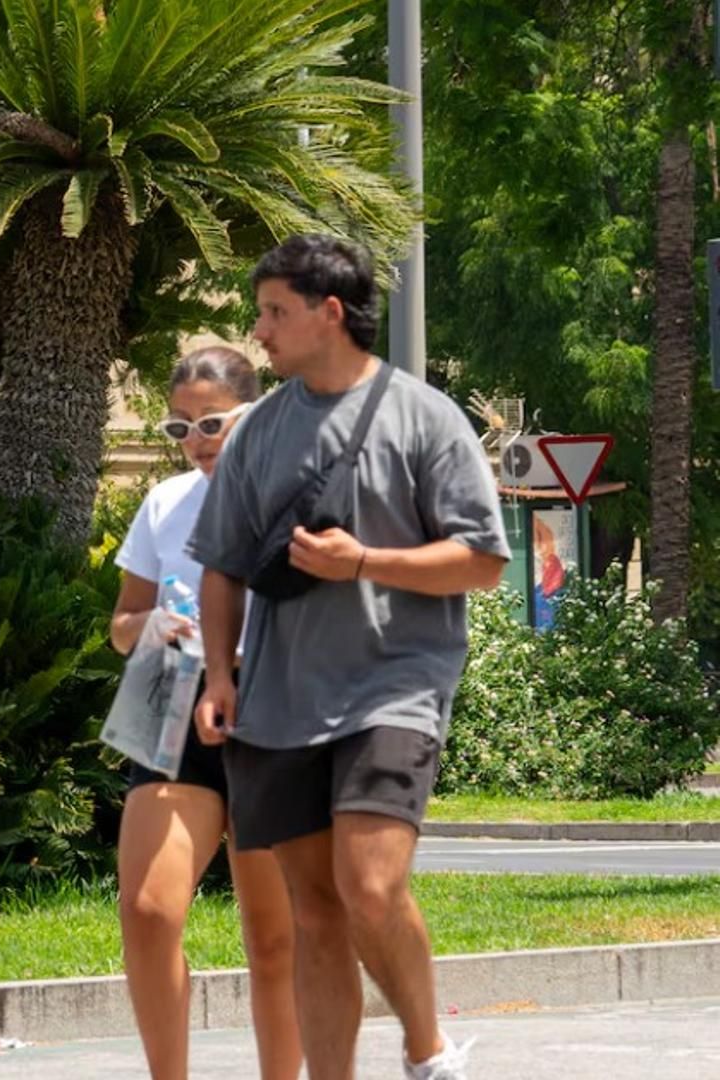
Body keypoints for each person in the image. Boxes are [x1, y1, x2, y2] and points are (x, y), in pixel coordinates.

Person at [188, 235, 509, 1080]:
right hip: (280, 699)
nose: (259, 331)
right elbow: (220, 565)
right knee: (316, 914)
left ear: (330, 314)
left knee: (369, 887)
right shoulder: (259, 433)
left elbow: (481, 561)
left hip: (393, 689)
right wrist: (220, 677)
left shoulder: (425, 417)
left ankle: (427, 1049)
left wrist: (364, 562)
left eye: (274, 312)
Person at [109, 346, 301, 1080]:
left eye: (212, 422)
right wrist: (153, 626)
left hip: (272, 710)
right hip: (173, 700)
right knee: (149, 910)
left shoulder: (297, 494)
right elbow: (123, 621)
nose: (196, 442)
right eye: (178, 428)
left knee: (272, 934)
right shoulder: (164, 504)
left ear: (255, 412)